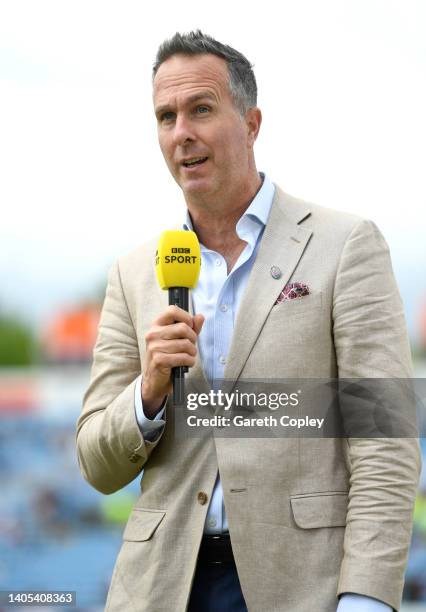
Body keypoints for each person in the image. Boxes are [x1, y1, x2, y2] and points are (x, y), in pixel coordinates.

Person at [76, 30, 420, 612]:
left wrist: (366, 597)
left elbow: (385, 439)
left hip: (301, 586)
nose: (181, 132)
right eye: (166, 116)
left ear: (252, 123)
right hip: (161, 588)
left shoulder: (345, 245)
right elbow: (95, 463)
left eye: (201, 110)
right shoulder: (133, 274)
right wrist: (148, 393)